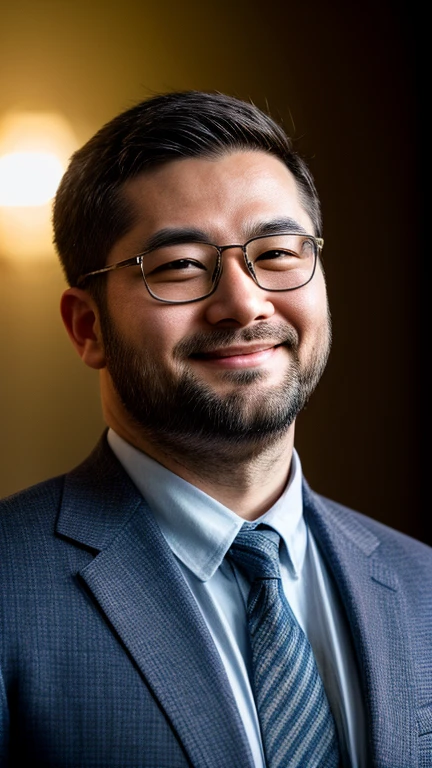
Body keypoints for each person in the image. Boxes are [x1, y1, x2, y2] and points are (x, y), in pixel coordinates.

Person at [0, 90, 430, 768]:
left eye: (279, 252)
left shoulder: (422, 585)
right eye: (179, 267)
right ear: (87, 327)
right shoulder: (9, 589)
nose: (243, 302)